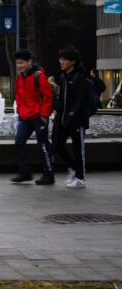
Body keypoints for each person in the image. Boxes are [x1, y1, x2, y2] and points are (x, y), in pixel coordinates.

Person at [11, 49, 54, 185]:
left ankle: (48, 174)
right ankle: (25, 171)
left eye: (22, 63)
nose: (19, 66)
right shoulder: (19, 77)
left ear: (29, 61)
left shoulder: (38, 76)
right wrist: (19, 109)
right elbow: (18, 94)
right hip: (24, 116)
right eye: (17, 63)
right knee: (19, 141)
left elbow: (48, 96)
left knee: (43, 145)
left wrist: (45, 115)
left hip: (38, 116)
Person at [52, 47, 90, 189]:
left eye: (65, 59)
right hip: (63, 118)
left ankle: (80, 178)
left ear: (73, 62)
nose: (61, 62)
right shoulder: (63, 76)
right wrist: (56, 109)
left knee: (78, 148)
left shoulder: (79, 77)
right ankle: (73, 168)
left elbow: (80, 99)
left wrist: (72, 114)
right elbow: (61, 96)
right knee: (57, 144)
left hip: (77, 120)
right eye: (61, 59)